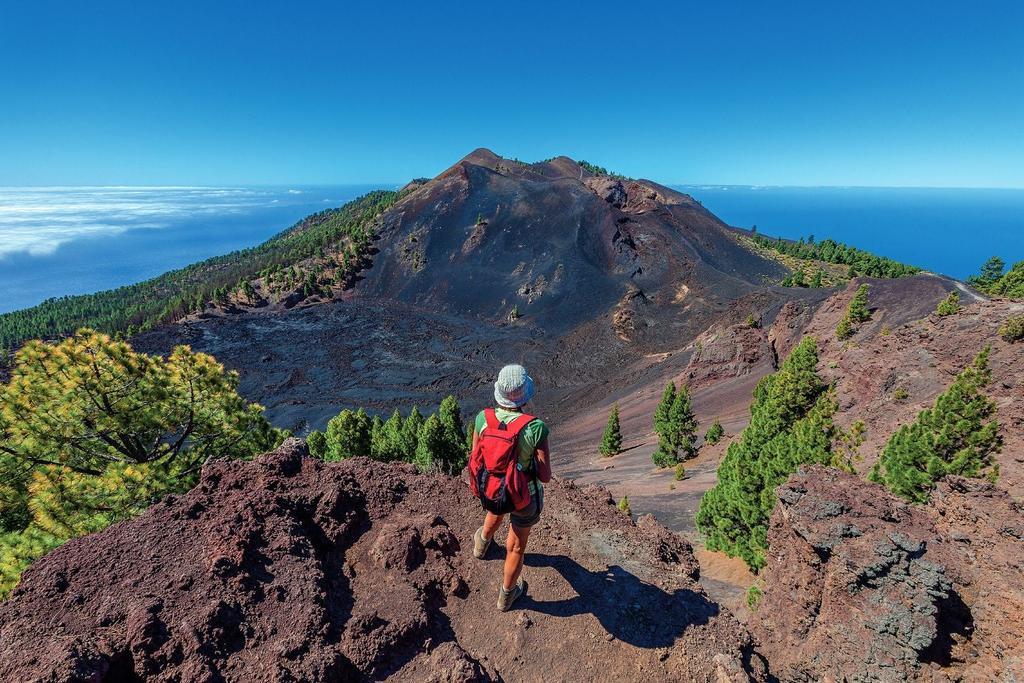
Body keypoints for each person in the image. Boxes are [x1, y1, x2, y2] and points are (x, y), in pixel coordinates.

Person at [470, 364, 551, 611]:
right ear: (524, 395)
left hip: (492, 488)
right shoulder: (536, 427)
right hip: (525, 496)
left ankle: (482, 545)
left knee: (497, 506)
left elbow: (476, 457)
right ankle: (507, 596)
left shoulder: (483, 418)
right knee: (515, 546)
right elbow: (545, 475)